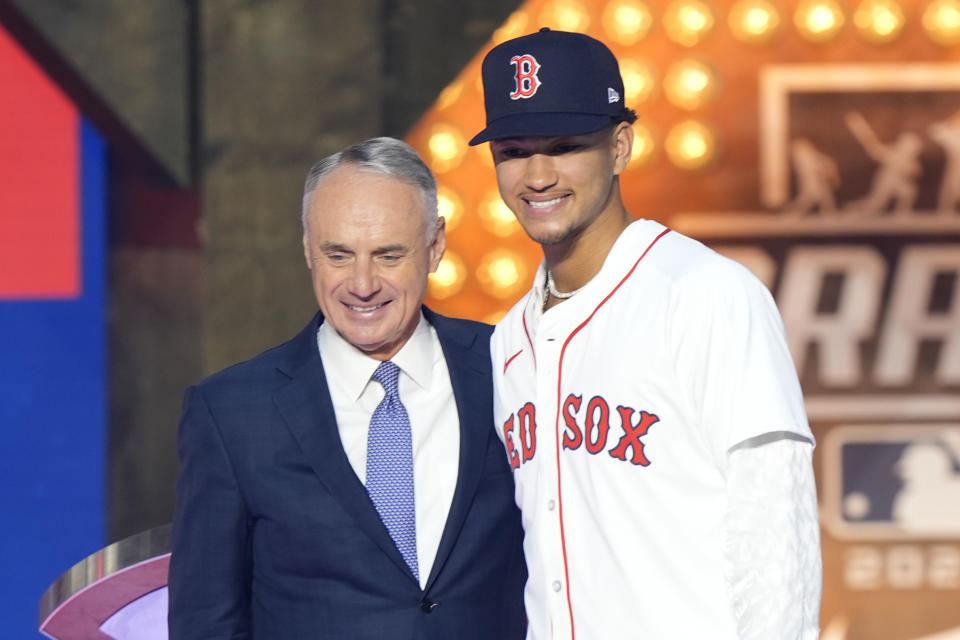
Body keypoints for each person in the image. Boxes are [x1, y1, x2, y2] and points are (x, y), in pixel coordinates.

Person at [470, 28, 822, 639]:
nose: (538, 174)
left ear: (620, 145)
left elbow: (776, 531)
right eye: (514, 151)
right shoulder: (509, 340)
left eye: (564, 145)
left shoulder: (706, 294)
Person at [168, 137, 527, 639]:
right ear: (307, 250)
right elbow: (206, 623)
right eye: (338, 255)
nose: (362, 284)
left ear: (435, 246)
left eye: (387, 255)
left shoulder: (512, 367)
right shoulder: (231, 414)